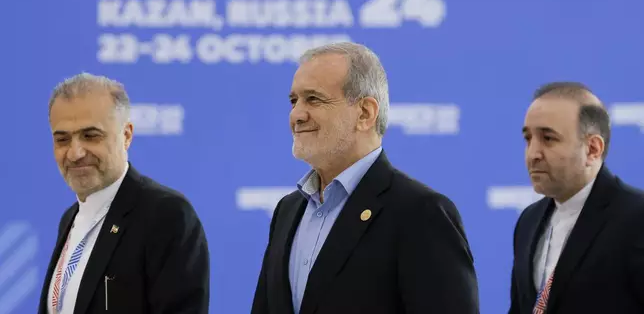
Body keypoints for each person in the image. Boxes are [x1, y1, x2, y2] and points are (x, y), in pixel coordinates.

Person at [251, 42, 479, 314]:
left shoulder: (420, 213)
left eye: (313, 99)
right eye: (294, 100)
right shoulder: (287, 211)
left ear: (365, 113)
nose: (296, 114)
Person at [37, 73, 210, 314]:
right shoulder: (70, 219)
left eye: (90, 136)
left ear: (126, 135)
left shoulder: (167, 215)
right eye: (62, 139)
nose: (75, 153)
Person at [509, 82, 644, 313]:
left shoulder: (637, 218)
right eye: (528, 139)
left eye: (548, 138)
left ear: (593, 149)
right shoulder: (528, 220)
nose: (533, 154)